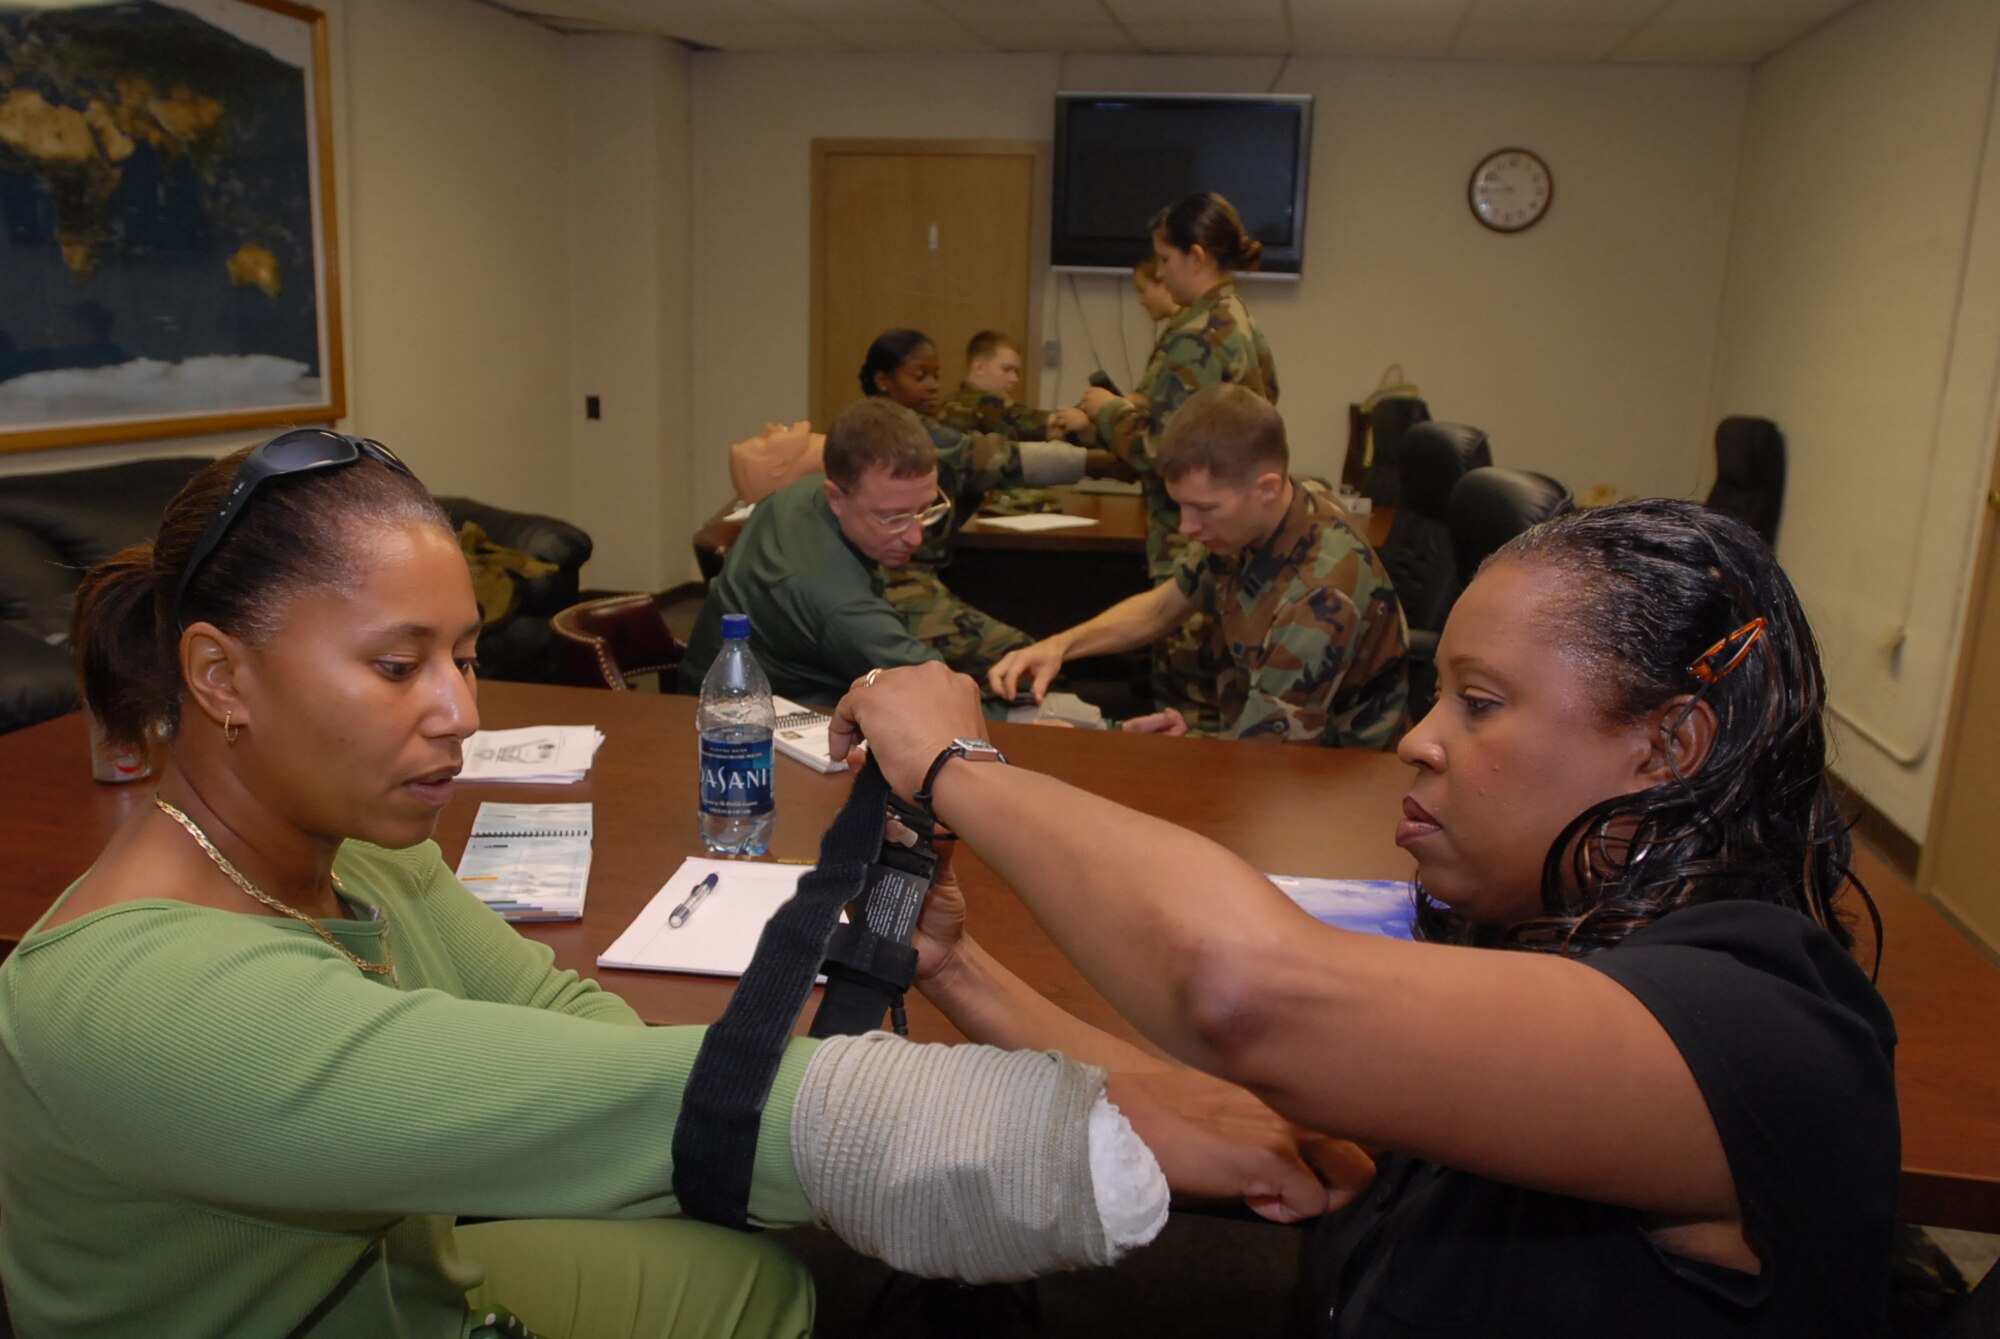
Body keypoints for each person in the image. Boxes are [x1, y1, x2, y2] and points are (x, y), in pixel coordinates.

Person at [0, 430, 1366, 1338]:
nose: (460, 713)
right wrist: (1091, 1129)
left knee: (764, 1283)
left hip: (401, 1267)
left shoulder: (353, 857)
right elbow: (647, 1104)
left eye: (465, 654)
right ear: (219, 676)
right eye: (396, 663)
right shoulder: (150, 995)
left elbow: (574, 1032)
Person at [835, 498, 1899, 1337]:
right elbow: (1241, 1116)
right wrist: (956, 963)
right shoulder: (1546, 937)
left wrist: (954, 767)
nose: (1418, 739)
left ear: (1667, 749)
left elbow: (1243, 992)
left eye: (1476, 704)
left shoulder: (1757, 1029)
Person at [991, 384, 1408, 748]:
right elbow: (1161, 609)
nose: (1188, 527)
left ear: (1266, 488)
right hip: (1265, 745)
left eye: (1204, 508)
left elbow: (1267, 758)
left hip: (1334, 786)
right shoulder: (1257, 519)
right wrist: (1058, 646)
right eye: (1182, 506)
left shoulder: (1320, 595)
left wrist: (1155, 744)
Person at [1085, 195, 1280, 727]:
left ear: (1195, 255)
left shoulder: (1199, 333)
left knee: (1186, 700)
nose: (1162, 275)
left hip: (1191, 534)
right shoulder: (1236, 317)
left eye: (1165, 260)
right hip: (1219, 528)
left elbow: (1163, 448)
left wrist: (1106, 414)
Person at [680, 398, 955, 704]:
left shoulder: (803, 492)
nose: (916, 537)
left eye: (926, 509)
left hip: (726, 687)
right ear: (835, 497)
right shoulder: (838, 606)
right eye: (893, 518)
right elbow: (939, 698)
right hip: (737, 726)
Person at [859, 329, 1095, 681]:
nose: (933, 386)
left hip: (908, 575)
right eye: (919, 376)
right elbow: (986, 457)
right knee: (1023, 660)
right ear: (883, 380)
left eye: (936, 376)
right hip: (891, 582)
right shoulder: (889, 431)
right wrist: (1099, 463)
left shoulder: (895, 422)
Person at [935, 329, 1093, 446]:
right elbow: (1051, 425)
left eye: (1016, 371)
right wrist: (1083, 414)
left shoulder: (948, 403)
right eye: (1006, 369)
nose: (1015, 379)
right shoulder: (987, 404)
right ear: (979, 367)